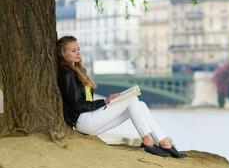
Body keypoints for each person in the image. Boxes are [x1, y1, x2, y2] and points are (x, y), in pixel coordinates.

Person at [57, 35, 187, 158]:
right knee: (131, 99)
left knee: (139, 105)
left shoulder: (79, 71)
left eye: (78, 49)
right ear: (63, 53)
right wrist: (105, 101)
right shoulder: (67, 74)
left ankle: (164, 141)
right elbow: (78, 105)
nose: (78, 53)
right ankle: (148, 141)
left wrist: (106, 102)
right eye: (74, 50)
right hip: (83, 121)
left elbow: (86, 101)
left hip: (90, 119)